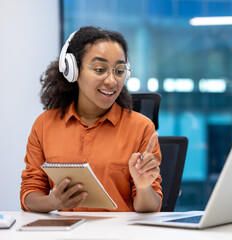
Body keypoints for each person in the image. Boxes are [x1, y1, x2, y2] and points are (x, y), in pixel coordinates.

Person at [20, 26, 162, 213]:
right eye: (100, 69)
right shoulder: (45, 125)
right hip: (68, 233)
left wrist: (143, 186)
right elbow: (30, 193)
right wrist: (53, 202)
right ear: (73, 70)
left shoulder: (141, 128)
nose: (112, 81)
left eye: (119, 71)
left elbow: (151, 207)